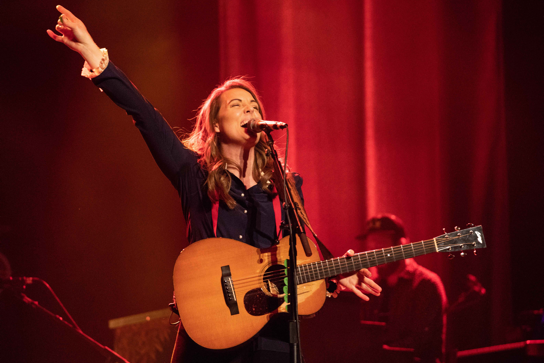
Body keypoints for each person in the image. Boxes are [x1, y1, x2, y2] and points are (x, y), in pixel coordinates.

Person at [47, 6, 382, 363]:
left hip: (271, 339)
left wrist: (331, 278)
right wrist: (96, 56)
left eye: (253, 104)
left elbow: (289, 260)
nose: (249, 110)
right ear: (216, 125)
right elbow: (145, 116)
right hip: (208, 336)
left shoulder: (285, 186)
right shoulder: (194, 173)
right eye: (237, 105)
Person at [357, 214, 447, 363]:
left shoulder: (426, 284)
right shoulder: (372, 287)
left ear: (402, 245)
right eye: (370, 248)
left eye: (380, 246)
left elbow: (422, 344)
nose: (373, 254)